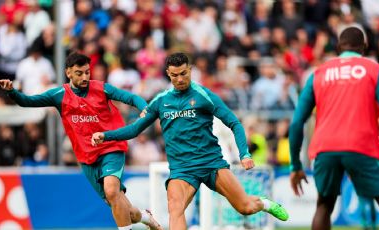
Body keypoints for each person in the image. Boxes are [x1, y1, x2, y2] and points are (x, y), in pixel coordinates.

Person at [92, 52, 289, 230]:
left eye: (183, 73)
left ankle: (264, 203)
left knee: (245, 207)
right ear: (168, 74)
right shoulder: (161, 101)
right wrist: (107, 135)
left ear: (190, 70)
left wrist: (244, 153)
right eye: (174, 75)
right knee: (175, 210)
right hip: (182, 169)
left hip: (211, 163)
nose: (180, 79)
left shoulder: (203, 95)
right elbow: (135, 129)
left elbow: (234, 123)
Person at [0, 52, 162, 230]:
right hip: (86, 156)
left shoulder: (101, 88)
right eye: (79, 73)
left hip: (110, 147)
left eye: (87, 72)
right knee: (120, 206)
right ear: (68, 73)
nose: (85, 77)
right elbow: (28, 101)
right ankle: (145, 216)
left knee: (112, 191)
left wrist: (144, 108)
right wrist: (12, 92)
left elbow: (130, 97)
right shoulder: (59, 95)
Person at [289, 27, 379, 230]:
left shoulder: (318, 73)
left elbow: (296, 122)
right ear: (364, 48)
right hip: (362, 146)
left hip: (325, 148)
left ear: (338, 47)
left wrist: (295, 166)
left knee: (323, 206)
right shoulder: (375, 70)